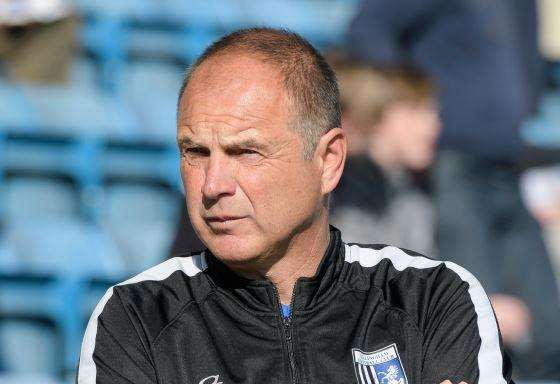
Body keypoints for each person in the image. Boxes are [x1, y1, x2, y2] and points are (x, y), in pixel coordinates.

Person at [77, 28, 512, 384]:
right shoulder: (136, 317)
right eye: (195, 152)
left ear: (328, 162)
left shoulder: (432, 299)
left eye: (246, 152)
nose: (213, 184)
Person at [347, 0, 560, 377]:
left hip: (508, 161)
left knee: (546, 325)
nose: (428, 118)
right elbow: (370, 27)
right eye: (422, 109)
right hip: (456, 161)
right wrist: (402, 100)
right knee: (483, 322)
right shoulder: (371, 187)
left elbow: (524, 59)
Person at [331, 62, 440, 255]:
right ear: (379, 113)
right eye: (415, 110)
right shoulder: (343, 192)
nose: (432, 126)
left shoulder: (412, 189)